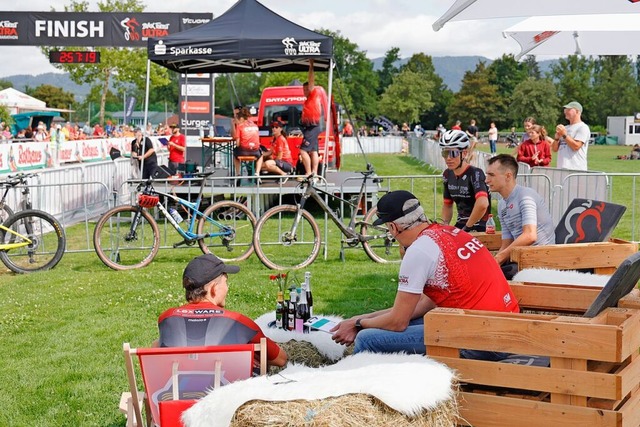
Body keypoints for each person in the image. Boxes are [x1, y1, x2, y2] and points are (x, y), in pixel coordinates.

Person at [330, 190, 520, 358]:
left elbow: (398, 322)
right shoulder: (450, 232)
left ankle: (358, 385)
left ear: (393, 228)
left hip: (482, 341)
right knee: (418, 320)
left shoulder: (419, 250)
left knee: (367, 339)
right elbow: (423, 305)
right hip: (508, 331)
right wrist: (362, 318)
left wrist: (359, 325)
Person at [157, 254, 288, 367]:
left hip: (176, 393)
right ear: (214, 288)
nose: (227, 288)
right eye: (226, 282)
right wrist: (249, 355)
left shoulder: (167, 318)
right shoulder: (239, 322)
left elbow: (160, 346)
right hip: (226, 394)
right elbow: (281, 359)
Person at [485, 154, 555, 279]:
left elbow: (530, 235)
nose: (486, 180)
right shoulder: (502, 205)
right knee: (485, 272)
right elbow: (507, 243)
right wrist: (495, 261)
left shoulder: (525, 196)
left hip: (543, 259)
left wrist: (499, 258)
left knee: (495, 277)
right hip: (523, 257)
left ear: (508, 176)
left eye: (491, 175)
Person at [439, 130, 491, 232]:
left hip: (480, 225)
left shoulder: (475, 173)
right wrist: (443, 226)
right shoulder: (447, 174)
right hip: (461, 224)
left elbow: (482, 204)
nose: (448, 158)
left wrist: (467, 227)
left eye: (453, 153)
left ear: (464, 153)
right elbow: (447, 205)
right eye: (445, 153)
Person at [299, 59, 323, 178]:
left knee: (303, 150)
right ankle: (314, 173)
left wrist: (311, 65)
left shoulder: (313, 94)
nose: (304, 91)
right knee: (313, 150)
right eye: (303, 89)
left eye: (306, 89)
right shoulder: (307, 100)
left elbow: (311, 79)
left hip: (312, 126)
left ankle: (309, 173)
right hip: (310, 126)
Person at [552, 101, 590, 171]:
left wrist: (564, 134)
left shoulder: (582, 127)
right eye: (565, 109)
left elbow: (576, 146)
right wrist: (556, 139)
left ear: (577, 112)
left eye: (569, 109)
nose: (565, 111)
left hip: (576, 169)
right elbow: (554, 149)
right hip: (561, 168)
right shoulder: (565, 128)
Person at [231, 106, 262, 178]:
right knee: (261, 155)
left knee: (235, 153)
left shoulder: (240, 126)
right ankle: (257, 173)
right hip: (255, 151)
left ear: (241, 119)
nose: (236, 120)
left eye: (237, 118)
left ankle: (238, 174)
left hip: (244, 151)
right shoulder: (254, 125)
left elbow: (238, 144)